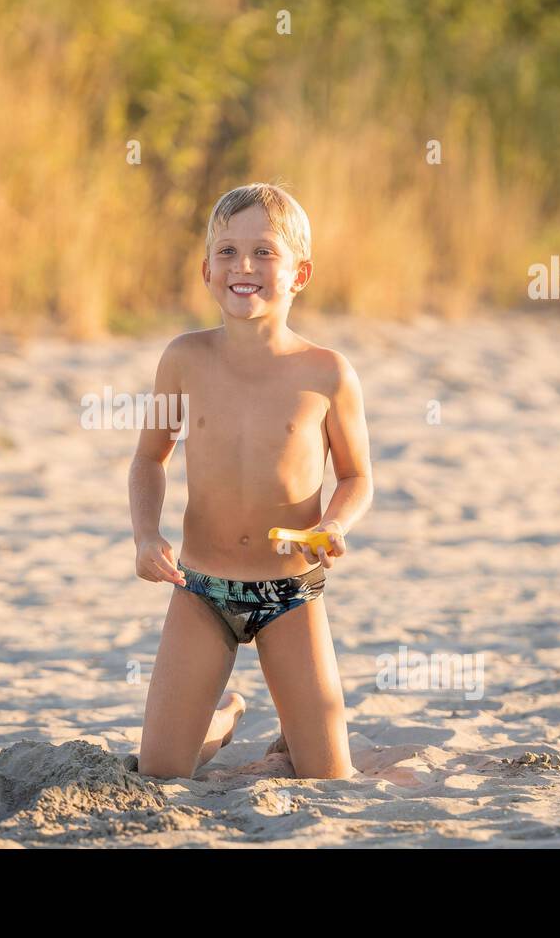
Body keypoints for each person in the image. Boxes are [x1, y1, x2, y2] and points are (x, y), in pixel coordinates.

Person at [128, 182, 373, 780]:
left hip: (290, 591)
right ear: (206, 269)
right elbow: (148, 460)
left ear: (300, 273)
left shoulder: (327, 372)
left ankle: (293, 737)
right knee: (159, 773)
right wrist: (145, 536)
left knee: (329, 779)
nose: (244, 266)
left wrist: (333, 524)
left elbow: (356, 475)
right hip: (200, 587)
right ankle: (220, 719)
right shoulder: (184, 359)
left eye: (265, 252)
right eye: (228, 251)